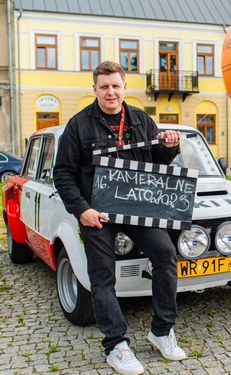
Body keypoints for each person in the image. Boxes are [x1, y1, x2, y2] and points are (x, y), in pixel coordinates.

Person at [54, 61, 186, 375]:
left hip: (138, 210)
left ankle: (162, 331)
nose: (110, 92)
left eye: (116, 86)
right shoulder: (78, 125)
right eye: (104, 87)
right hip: (97, 213)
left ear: (125, 87)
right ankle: (116, 344)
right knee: (102, 275)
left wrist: (170, 148)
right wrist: (81, 209)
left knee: (166, 253)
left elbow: (157, 162)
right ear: (94, 89)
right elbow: (63, 173)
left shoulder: (141, 119)